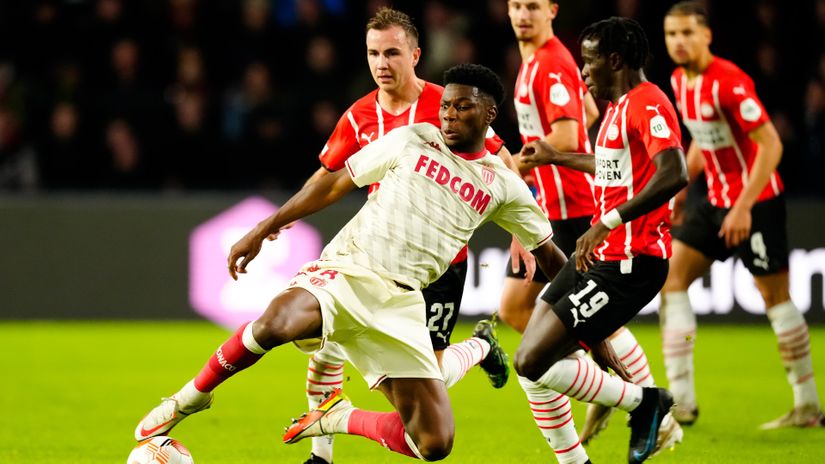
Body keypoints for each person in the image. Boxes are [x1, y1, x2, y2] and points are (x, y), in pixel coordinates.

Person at [134, 63, 626, 462]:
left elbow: (554, 262)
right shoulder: (414, 138)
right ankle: (189, 398)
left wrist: (593, 333)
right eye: (446, 105)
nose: (450, 115)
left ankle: (336, 416)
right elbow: (333, 182)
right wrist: (264, 228)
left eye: (462, 107)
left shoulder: (504, 184)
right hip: (351, 269)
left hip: (402, 305)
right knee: (278, 323)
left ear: (489, 112)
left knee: (432, 443)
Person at [296, 8, 518, 464]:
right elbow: (327, 175)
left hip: (439, 264)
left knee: (429, 376)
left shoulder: (449, 104)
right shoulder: (358, 115)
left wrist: (520, 233)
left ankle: (479, 346)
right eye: (374, 53)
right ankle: (321, 457)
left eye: (392, 52)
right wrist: (276, 222)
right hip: (374, 261)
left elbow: (502, 161)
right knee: (323, 352)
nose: (382, 63)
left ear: (415, 55)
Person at [516, 17, 689, 464]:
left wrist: (608, 220)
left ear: (615, 60)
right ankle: (585, 452)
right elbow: (615, 170)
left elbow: (674, 172)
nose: (583, 71)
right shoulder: (616, 108)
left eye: (589, 61)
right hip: (599, 257)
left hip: (632, 261)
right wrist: (557, 156)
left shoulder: (648, 102)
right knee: (531, 362)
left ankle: (645, 402)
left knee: (532, 362)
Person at [660, 1, 825, 428]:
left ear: (706, 36)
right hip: (714, 203)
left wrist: (744, 206)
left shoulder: (729, 81)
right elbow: (700, 140)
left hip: (757, 204)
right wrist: (681, 189)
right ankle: (681, 401)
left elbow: (771, 145)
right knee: (672, 279)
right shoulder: (680, 81)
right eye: (671, 34)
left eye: (687, 33)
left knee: (775, 299)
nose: (678, 42)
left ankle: (807, 405)